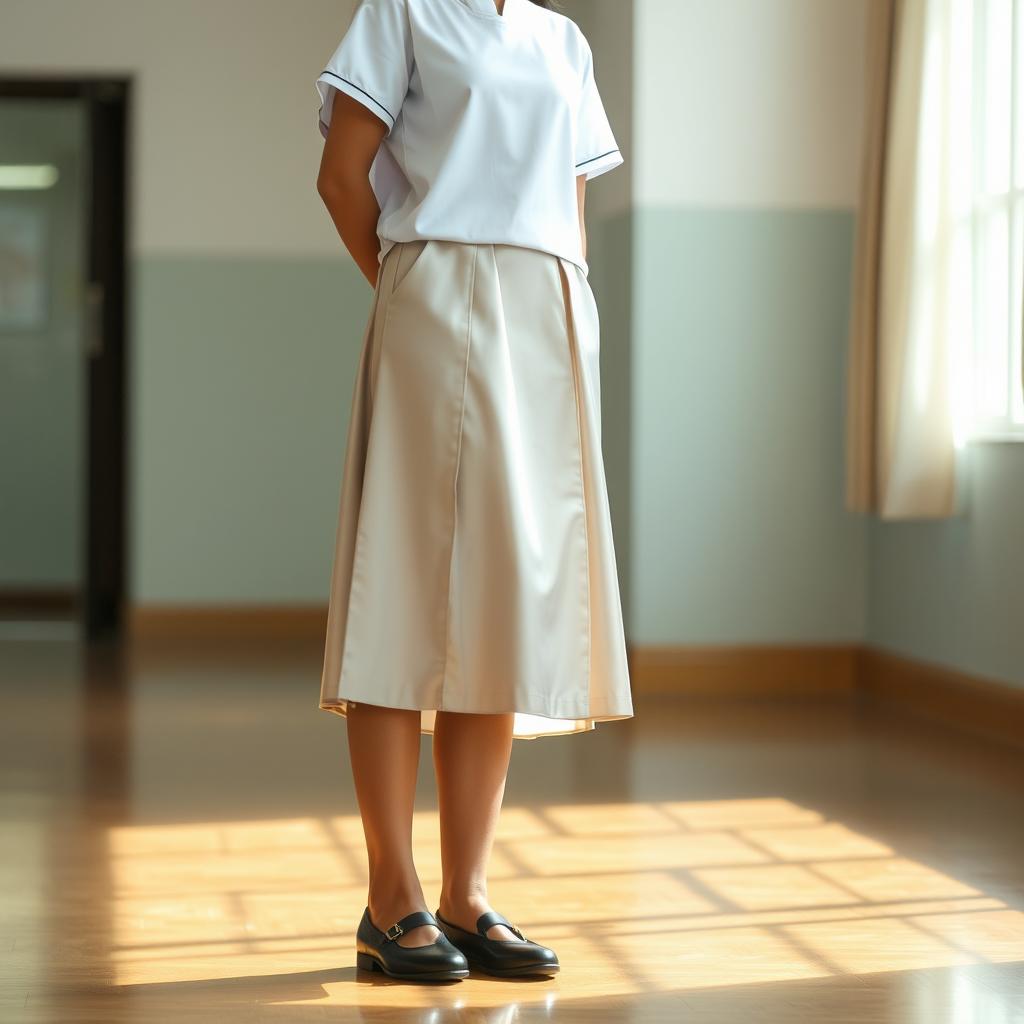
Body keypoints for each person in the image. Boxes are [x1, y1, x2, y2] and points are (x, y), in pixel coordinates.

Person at [314, 0, 634, 982]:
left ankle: (466, 894)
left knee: (503, 600)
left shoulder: (563, 39)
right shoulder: (404, 13)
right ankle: (390, 896)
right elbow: (341, 177)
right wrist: (409, 286)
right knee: (401, 595)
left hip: (547, 317)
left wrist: (571, 313)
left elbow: (569, 204)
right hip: (436, 289)